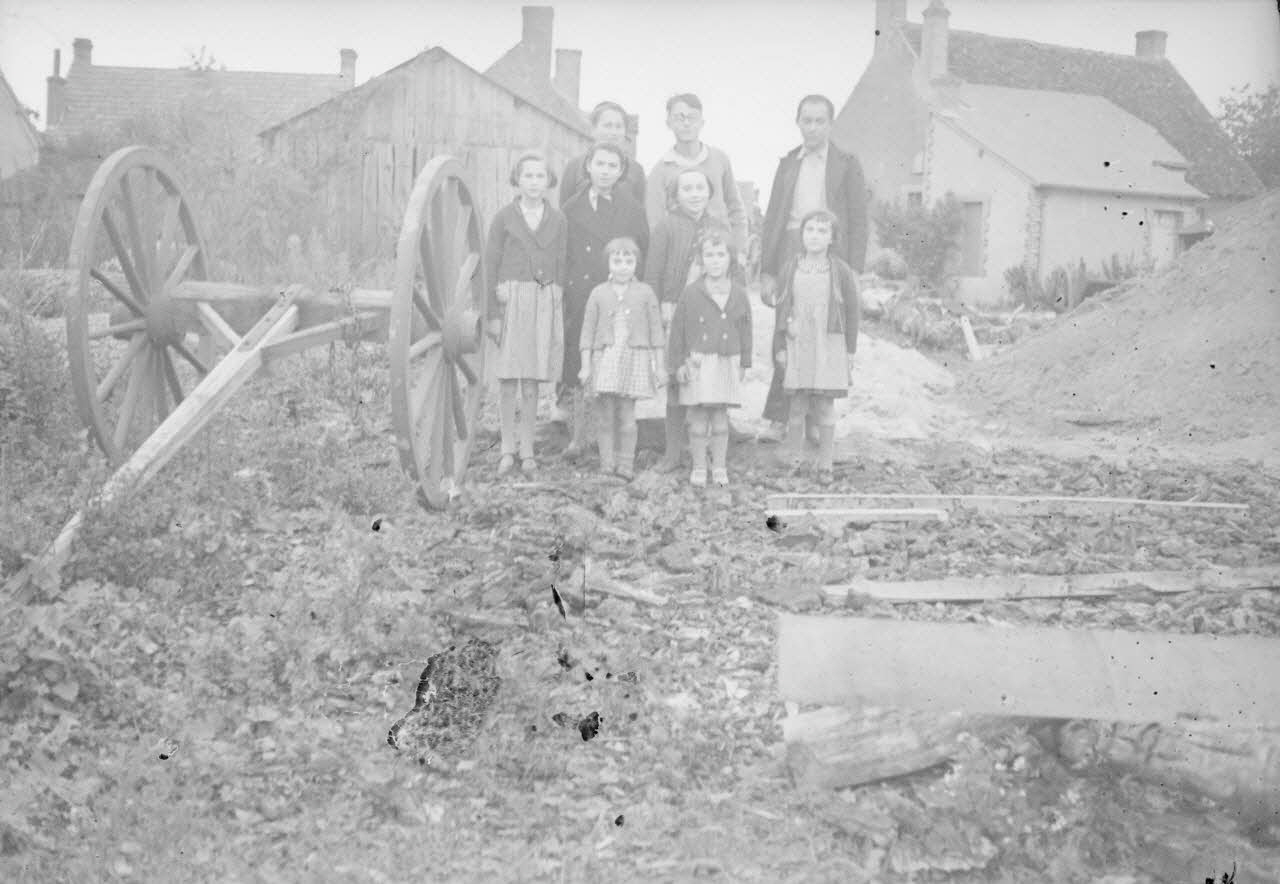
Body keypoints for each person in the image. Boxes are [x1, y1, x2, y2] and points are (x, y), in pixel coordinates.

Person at [759, 94, 868, 442]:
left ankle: (814, 421)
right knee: (788, 331)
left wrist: (853, 270)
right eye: (807, 120)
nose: (813, 127)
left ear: (830, 124)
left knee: (822, 334)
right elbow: (773, 216)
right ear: (798, 122)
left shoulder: (846, 163)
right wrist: (768, 270)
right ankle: (779, 418)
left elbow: (858, 219)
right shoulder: (789, 163)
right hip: (793, 246)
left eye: (820, 120)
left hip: (830, 253)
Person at [561, 141, 650, 458]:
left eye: (613, 166)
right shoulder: (571, 208)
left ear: (622, 172)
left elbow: (643, 250)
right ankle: (578, 434)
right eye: (600, 164)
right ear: (588, 166)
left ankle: (614, 438)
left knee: (616, 360)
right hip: (582, 294)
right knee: (579, 361)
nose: (605, 171)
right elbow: (564, 252)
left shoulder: (633, 210)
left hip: (619, 295)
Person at [483, 150, 567, 476]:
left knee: (531, 380)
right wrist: (492, 309)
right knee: (508, 379)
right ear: (517, 180)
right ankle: (506, 448)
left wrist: (555, 296)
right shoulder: (504, 217)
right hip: (511, 299)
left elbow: (560, 261)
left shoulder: (557, 219)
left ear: (549, 182)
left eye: (540, 176)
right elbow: (490, 262)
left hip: (542, 300)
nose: (534, 182)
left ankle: (528, 449)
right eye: (527, 176)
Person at [772, 210, 860, 481]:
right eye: (810, 229)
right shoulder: (790, 268)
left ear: (832, 238)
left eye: (822, 231)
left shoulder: (840, 271)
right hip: (799, 342)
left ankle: (825, 464)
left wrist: (850, 351)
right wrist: (781, 344)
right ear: (802, 235)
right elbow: (781, 308)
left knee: (824, 405)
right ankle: (794, 461)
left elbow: (853, 312)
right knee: (797, 406)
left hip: (829, 342)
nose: (815, 236)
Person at [643, 168, 717, 472]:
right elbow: (653, 271)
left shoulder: (717, 227)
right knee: (676, 379)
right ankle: (673, 451)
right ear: (675, 195)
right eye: (687, 189)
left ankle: (704, 449)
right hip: (674, 309)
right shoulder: (667, 226)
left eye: (700, 187)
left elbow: (730, 270)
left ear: (709, 192)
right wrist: (657, 304)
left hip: (710, 312)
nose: (695, 194)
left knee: (707, 379)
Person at [667, 227, 753, 488]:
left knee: (719, 417)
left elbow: (746, 328)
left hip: (726, 360)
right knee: (697, 418)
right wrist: (678, 363)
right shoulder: (691, 292)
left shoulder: (738, 293)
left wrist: (745, 362)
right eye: (709, 255)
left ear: (730, 259)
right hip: (699, 362)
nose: (715, 260)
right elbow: (678, 331)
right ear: (701, 260)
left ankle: (719, 467)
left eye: (720, 254)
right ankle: (699, 467)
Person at [578, 237, 664, 479]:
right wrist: (585, 366)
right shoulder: (598, 293)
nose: (623, 266)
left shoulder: (645, 293)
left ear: (637, 263)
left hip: (632, 358)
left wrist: (659, 366)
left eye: (629, 260)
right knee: (605, 415)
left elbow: (656, 331)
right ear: (608, 263)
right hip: (605, 359)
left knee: (627, 415)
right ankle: (607, 462)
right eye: (617, 260)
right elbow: (587, 332)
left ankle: (626, 463)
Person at [645, 94, 748, 258]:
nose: (686, 123)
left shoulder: (719, 159)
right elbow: (655, 224)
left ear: (702, 123)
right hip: (680, 255)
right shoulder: (660, 171)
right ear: (668, 123)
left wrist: (739, 248)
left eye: (692, 117)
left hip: (720, 254)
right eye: (679, 118)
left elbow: (735, 207)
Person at [560, 101, 646, 206]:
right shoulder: (575, 166)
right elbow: (564, 211)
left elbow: (639, 212)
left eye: (618, 127)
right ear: (593, 129)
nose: (613, 133)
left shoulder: (636, 170)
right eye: (607, 126)